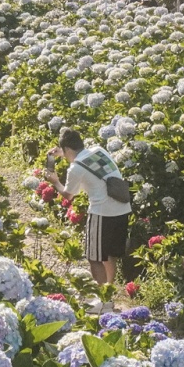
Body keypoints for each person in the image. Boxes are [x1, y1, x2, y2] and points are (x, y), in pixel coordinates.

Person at [40, 128, 131, 306]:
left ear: (66, 149)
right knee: (109, 254)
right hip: (122, 208)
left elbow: (68, 195)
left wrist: (55, 181)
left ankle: (104, 300)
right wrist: (64, 152)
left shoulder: (76, 168)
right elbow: (93, 175)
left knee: (94, 257)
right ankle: (108, 294)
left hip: (101, 213)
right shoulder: (99, 150)